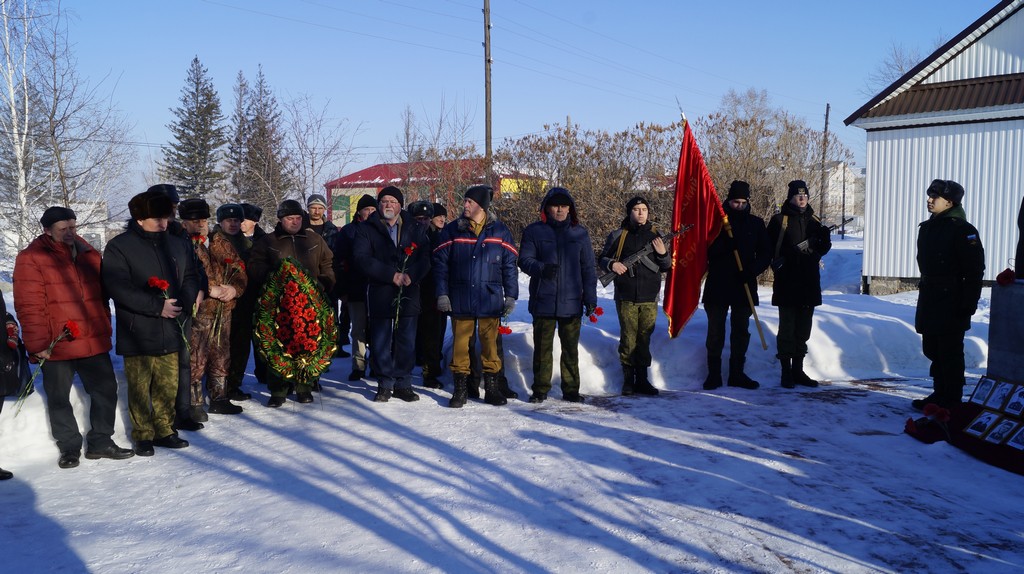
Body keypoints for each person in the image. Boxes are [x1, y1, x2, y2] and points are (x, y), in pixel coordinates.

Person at [13, 207, 135, 469]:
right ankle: (69, 447)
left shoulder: (88, 253)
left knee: (105, 390)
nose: (70, 233)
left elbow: (102, 295)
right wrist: (38, 345)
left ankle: (101, 441)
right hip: (57, 343)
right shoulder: (32, 258)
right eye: (63, 229)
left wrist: (103, 323)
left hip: (92, 337)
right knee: (59, 397)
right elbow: (29, 305)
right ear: (47, 230)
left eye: (73, 227)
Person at [103, 189, 200, 456]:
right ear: (139, 220)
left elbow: (191, 274)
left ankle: (164, 429)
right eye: (157, 219)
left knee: (168, 384)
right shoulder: (120, 247)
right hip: (138, 329)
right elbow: (117, 286)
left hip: (172, 326)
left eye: (166, 218)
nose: (164, 224)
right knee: (140, 386)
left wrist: (184, 303)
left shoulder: (178, 243)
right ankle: (143, 434)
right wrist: (157, 306)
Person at [433, 184, 519, 407]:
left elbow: (510, 266)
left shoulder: (500, 231)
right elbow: (440, 264)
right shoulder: (453, 230)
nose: (465, 205)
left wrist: (511, 295)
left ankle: (491, 388)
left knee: (490, 345)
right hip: (460, 296)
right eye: (465, 201)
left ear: (481, 206)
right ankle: (461, 389)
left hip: (489, 297)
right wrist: (442, 294)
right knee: (461, 345)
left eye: (469, 202)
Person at [248, 199, 335, 407]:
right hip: (278, 304)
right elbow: (254, 266)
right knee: (278, 345)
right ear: (280, 219)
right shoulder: (268, 241)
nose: (294, 222)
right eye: (290, 218)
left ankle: (304, 386)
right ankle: (278, 389)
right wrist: (272, 277)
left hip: (310, 303)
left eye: (298, 218)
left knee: (307, 343)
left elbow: (327, 264)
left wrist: (323, 284)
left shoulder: (314, 239)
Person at [518, 187, 596, 403]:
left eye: (564, 206)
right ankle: (540, 389)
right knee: (542, 349)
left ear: (570, 208)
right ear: (547, 208)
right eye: (555, 206)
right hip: (543, 301)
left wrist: (590, 297)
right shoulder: (534, 231)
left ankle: (571, 390)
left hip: (571, 302)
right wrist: (541, 268)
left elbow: (588, 268)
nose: (560, 210)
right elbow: (524, 260)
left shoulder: (579, 233)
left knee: (570, 349)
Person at [352, 187, 430, 402]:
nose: (388, 205)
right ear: (379, 205)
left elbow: (425, 258)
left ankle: (403, 382)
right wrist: (390, 275)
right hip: (381, 292)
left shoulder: (415, 228)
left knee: (406, 339)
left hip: (408, 292)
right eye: (384, 201)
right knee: (380, 340)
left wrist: (411, 275)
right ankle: (385, 383)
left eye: (392, 201)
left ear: (400, 205)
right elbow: (361, 258)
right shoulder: (367, 228)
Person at [913, 179, 985, 410]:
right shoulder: (928, 227)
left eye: (935, 197)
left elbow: (974, 270)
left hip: (952, 299)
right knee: (932, 348)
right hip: (931, 297)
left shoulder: (963, 230)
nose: (929, 200)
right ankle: (939, 392)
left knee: (950, 351)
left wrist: (969, 302)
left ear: (950, 202)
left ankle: (952, 399)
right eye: (929, 196)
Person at [178, 199, 247, 418]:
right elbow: (184, 277)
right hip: (199, 311)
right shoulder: (181, 244)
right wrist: (211, 289)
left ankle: (219, 397)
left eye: (203, 220)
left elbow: (238, 268)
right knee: (196, 357)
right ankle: (193, 403)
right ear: (185, 223)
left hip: (223, 310)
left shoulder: (219, 241)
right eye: (194, 221)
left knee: (221, 354)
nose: (200, 225)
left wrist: (234, 289)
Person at [701, 182, 771, 390]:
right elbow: (703, 250)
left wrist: (752, 271)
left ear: (748, 202)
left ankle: (737, 373)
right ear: (728, 201)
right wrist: (723, 245)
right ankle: (713, 374)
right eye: (735, 202)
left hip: (744, 285)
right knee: (716, 330)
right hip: (718, 284)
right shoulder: (715, 222)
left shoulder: (756, 224)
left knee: (741, 330)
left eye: (743, 202)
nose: (739, 206)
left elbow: (766, 253)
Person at [598, 196, 672, 396]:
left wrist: (663, 252)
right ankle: (628, 380)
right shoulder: (619, 235)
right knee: (628, 338)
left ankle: (643, 379)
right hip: (626, 295)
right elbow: (602, 258)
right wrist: (612, 264)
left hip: (649, 296)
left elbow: (666, 266)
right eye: (636, 209)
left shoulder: (657, 235)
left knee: (644, 338)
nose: (641, 213)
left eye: (644, 209)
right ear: (629, 212)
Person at [148, 184, 206, 432]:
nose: (171, 213)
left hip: (182, 306)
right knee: (158, 364)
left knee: (184, 360)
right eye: (167, 207)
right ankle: (160, 415)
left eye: (173, 208)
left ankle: (182, 411)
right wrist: (157, 302)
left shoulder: (180, 234)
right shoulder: (140, 234)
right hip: (155, 308)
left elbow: (195, 268)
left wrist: (196, 292)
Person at [767, 180, 832, 389]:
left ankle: (798, 370)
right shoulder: (779, 220)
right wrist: (784, 260)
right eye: (797, 195)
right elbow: (768, 249)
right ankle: (786, 372)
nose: (802, 199)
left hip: (809, 283)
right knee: (787, 329)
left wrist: (824, 241)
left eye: (804, 195)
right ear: (790, 197)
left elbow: (820, 251)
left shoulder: (815, 221)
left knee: (803, 330)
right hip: (787, 283)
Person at [333, 194, 376, 382]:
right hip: (355, 287)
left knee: (377, 328)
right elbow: (339, 261)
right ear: (359, 211)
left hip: (376, 288)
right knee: (358, 328)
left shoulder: (382, 230)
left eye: (373, 210)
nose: (370, 213)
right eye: (367, 209)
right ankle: (358, 365)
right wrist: (342, 289)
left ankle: (376, 363)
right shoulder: (349, 231)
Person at [226, 202, 268, 393]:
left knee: (262, 339)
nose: (241, 223)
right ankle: (234, 381)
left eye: (245, 220)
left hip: (260, 296)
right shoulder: (231, 240)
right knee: (239, 343)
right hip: (239, 299)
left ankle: (265, 373)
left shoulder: (265, 240)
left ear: (255, 222)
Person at [307, 193, 349, 358]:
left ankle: (333, 347)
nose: (316, 211)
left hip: (327, 278)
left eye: (320, 208)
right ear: (308, 209)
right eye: (313, 208)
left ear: (324, 209)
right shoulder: (301, 228)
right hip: (307, 279)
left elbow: (337, 256)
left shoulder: (332, 230)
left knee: (330, 315)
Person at [409, 201, 444, 388]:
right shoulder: (405, 235)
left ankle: (431, 371)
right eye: (418, 219)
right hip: (409, 289)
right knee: (408, 333)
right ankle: (404, 370)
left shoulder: (437, 237)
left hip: (431, 290)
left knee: (432, 333)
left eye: (426, 218)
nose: (422, 222)